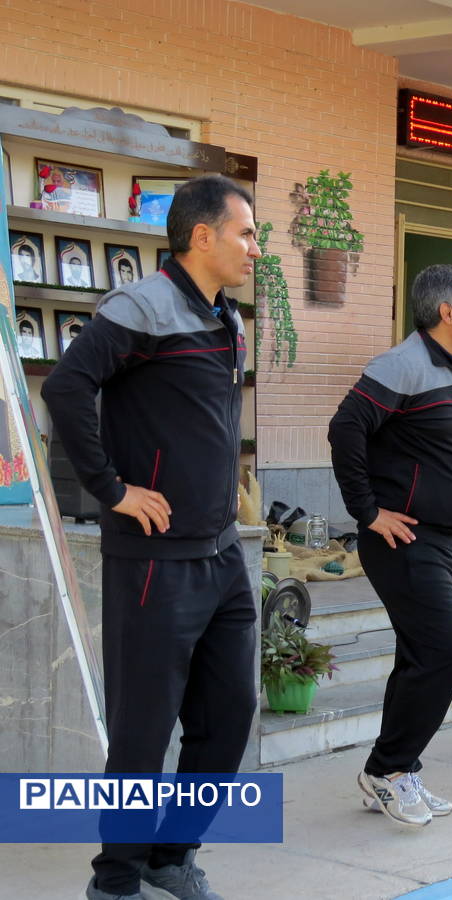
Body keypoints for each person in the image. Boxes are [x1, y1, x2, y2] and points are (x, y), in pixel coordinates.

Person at [42, 174, 259, 900]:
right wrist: (111, 489)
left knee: (228, 714)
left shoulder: (225, 317)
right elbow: (66, 388)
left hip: (221, 554)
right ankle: (115, 879)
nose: (254, 248)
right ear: (202, 235)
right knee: (143, 729)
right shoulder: (140, 307)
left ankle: (171, 855)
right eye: (246, 234)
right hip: (154, 560)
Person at [328, 265, 452, 828]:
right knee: (445, 653)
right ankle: (386, 770)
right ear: (447, 312)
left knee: (419, 657)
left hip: (445, 542)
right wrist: (368, 511)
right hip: (405, 541)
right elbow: (345, 429)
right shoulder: (401, 364)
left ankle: (399, 770)